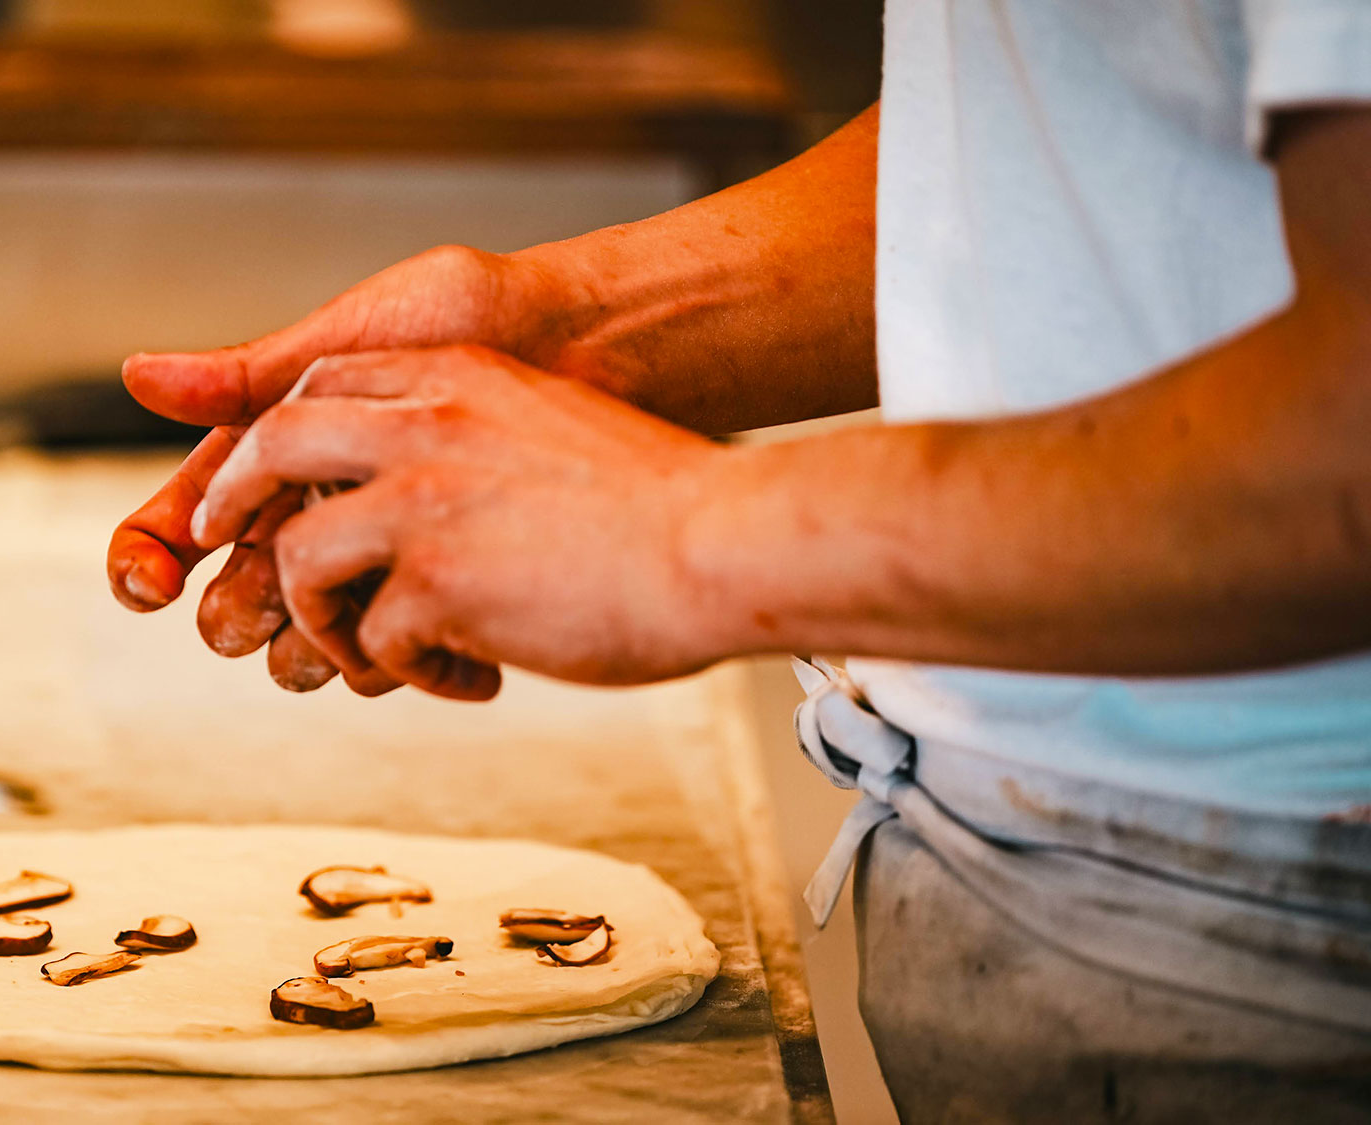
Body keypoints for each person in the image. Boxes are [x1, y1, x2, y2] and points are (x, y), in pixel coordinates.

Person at [108, 3, 1371, 1119]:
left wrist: (679, 529)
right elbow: (1094, 122)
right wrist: (576, 327)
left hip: (1288, 936)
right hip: (1077, 873)